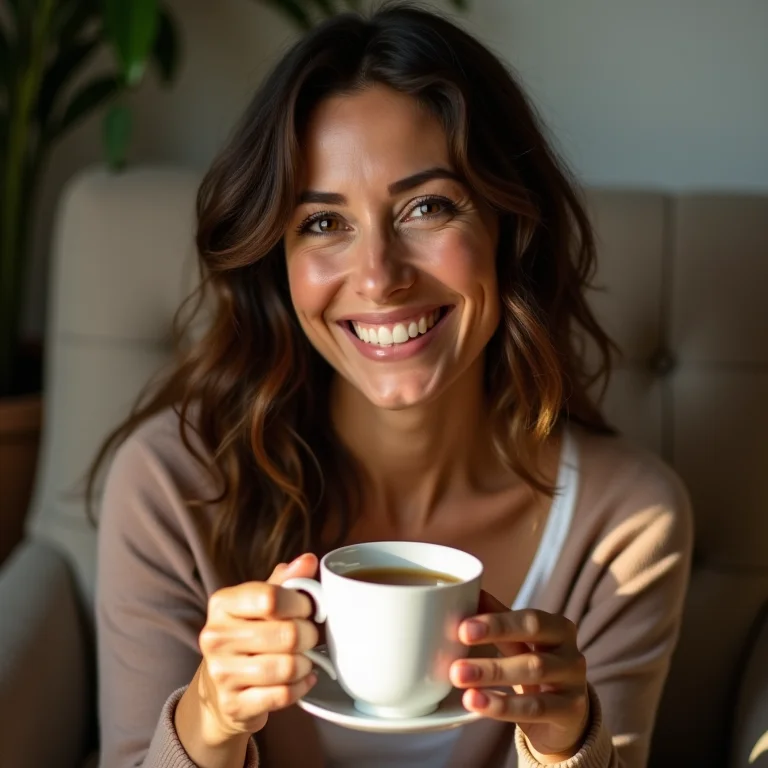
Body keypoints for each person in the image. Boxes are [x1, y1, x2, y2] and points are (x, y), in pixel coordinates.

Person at [92, 4, 693, 767]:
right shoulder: (173, 486)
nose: (379, 278)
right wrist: (208, 720)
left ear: (511, 227)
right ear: (275, 259)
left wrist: (567, 744)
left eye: (427, 208)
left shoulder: (625, 525)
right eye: (322, 223)